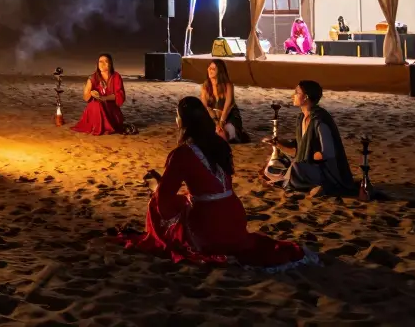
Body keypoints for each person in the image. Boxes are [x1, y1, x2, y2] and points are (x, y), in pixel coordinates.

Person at [113, 97, 318, 271]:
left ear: (182, 122)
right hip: (234, 214)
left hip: (209, 221)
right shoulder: (220, 143)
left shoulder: (182, 153)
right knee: (188, 203)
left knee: (157, 203)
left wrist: (157, 185)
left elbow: (165, 200)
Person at [263, 80, 358, 196]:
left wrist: (310, 156)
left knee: (296, 167)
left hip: (326, 172)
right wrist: (278, 145)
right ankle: (297, 182)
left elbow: (328, 153)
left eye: (297, 93)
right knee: (275, 165)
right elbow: (298, 150)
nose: (293, 96)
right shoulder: (301, 118)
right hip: (307, 166)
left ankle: (318, 187)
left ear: (306, 97)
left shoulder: (319, 120)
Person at [70, 53, 126, 135]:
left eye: (106, 61)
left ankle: (106, 127)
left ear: (110, 63)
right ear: (97, 64)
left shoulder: (116, 76)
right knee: (96, 103)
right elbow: (85, 98)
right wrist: (91, 93)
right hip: (94, 106)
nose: (103, 64)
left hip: (111, 107)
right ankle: (97, 127)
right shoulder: (92, 77)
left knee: (100, 103)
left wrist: (104, 98)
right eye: (100, 61)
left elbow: (120, 96)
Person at [199, 59, 250, 143]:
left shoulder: (228, 85)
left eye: (214, 68)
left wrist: (221, 123)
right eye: (209, 68)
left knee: (224, 134)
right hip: (213, 118)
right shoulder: (206, 86)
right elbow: (205, 108)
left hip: (229, 117)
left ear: (220, 71)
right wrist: (216, 123)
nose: (210, 70)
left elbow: (228, 106)